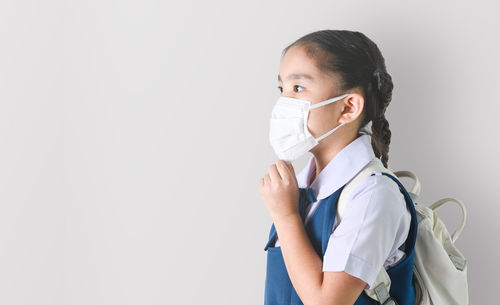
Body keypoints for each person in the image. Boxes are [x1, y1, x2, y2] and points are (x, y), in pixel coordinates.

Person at [258, 30, 416, 305]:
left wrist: (285, 216)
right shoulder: (301, 188)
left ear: (348, 107)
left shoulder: (374, 195)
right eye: (281, 88)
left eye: (298, 88)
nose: (283, 103)